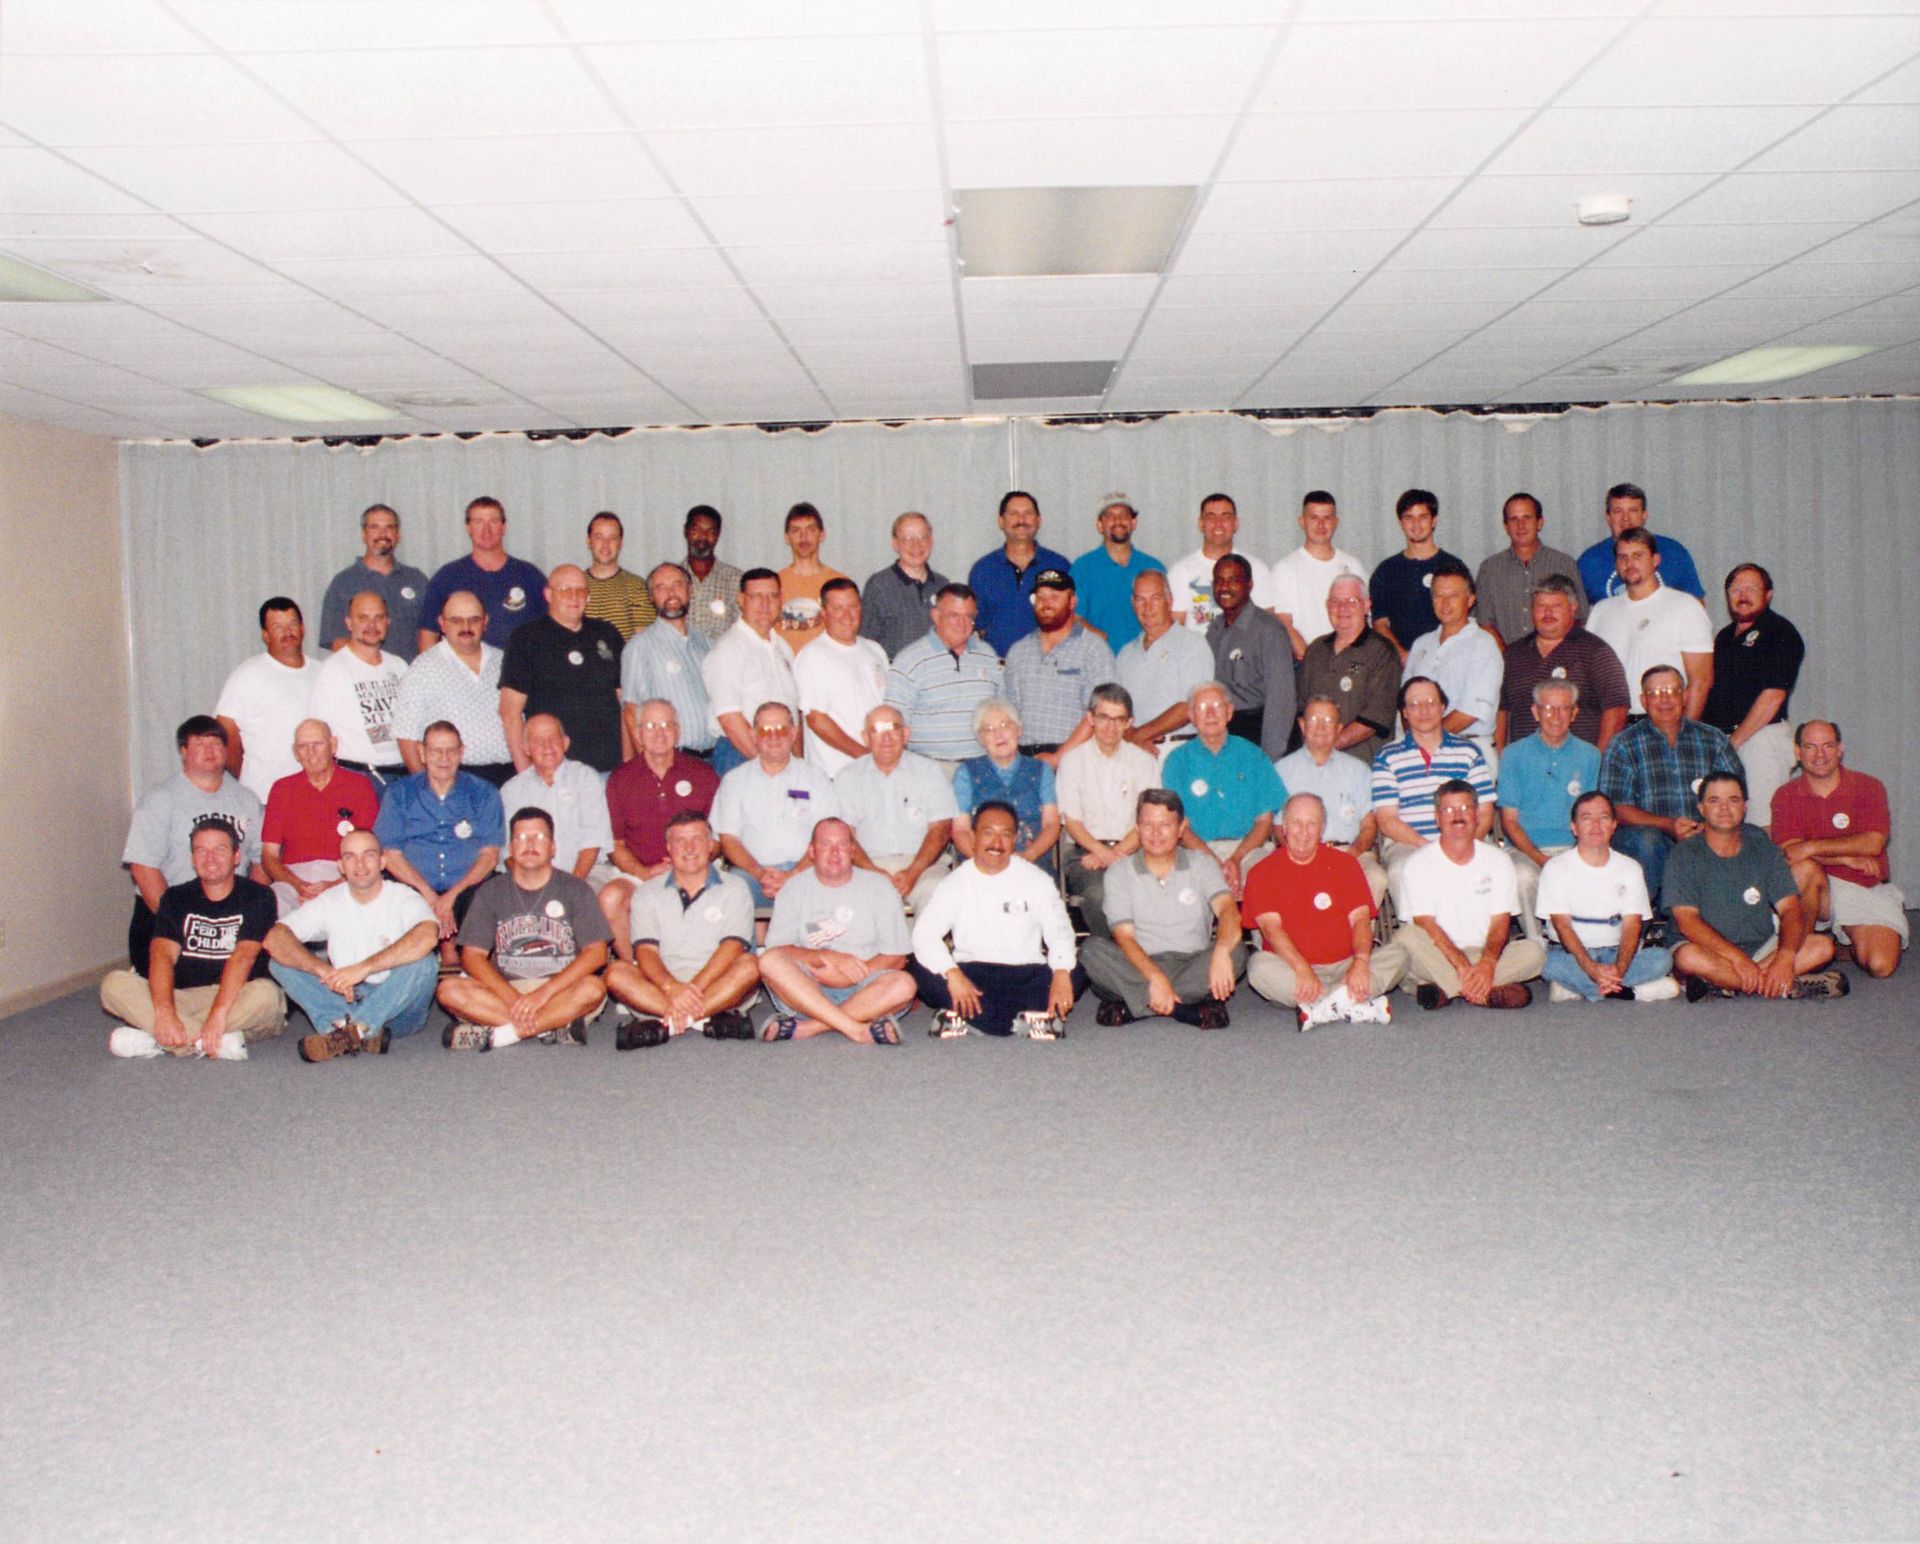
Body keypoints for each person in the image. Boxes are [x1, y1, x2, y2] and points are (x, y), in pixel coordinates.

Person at [101, 818, 284, 1060]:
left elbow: (243, 957)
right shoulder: (175, 898)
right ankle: (207, 1040)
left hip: (237, 996)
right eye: (201, 850)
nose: (210, 859)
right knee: (113, 984)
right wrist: (165, 1012)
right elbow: (162, 955)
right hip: (184, 997)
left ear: (236, 855)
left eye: (219, 849)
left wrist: (218, 1014)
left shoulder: (259, 896)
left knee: (267, 996)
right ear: (192, 858)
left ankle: (162, 1039)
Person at [438, 808, 612, 1050]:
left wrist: (544, 993)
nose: (529, 844)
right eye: (521, 838)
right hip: (506, 990)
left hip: (559, 989)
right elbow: (472, 956)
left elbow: (596, 952)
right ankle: (552, 1028)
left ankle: (499, 1035)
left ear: (553, 847)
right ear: (510, 848)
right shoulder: (490, 891)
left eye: (539, 837)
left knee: (593, 989)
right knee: (449, 990)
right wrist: (512, 997)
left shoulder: (576, 888)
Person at [263, 828, 441, 1060]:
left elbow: (428, 935)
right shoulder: (330, 900)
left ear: (382, 862)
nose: (360, 864)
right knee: (280, 962)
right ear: (341, 866)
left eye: (368, 855)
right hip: (347, 996)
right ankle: (362, 1033)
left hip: (397, 1005)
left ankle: (347, 1031)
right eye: (350, 856)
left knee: (424, 964)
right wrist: (323, 970)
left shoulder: (404, 897)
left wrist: (364, 968)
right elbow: (275, 938)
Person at [910, 802, 1083, 1039]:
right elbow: (924, 934)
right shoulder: (955, 882)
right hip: (971, 975)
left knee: (1077, 970)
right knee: (917, 967)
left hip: (1026, 974)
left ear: (1015, 839)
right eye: (988, 833)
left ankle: (967, 1019)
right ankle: (1024, 1021)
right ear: (973, 837)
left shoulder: (1036, 879)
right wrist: (953, 974)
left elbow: (1060, 930)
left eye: (1006, 834)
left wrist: (1062, 974)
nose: (996, 843)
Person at [1667, 772, 1845, 1002]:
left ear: (1745, 807)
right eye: (1714, 801)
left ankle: (1728, 983)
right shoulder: (1683, 855)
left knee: (1822, 946)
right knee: (1688, 958)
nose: (1724, 808)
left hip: (1762, 949)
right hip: (1709, 951)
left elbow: (1790, 909)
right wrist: (1738, 960)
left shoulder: (1764, 849)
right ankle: (1780, 984)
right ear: (1701, 809)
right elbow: (1688, 923)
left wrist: (1785, 957)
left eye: (1733, 800)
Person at [1082, 789, 1244, 1029]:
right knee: (1091, 951)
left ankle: (1136, 1005)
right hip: (1139, 964)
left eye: (1165, 824)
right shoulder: (1119, 872)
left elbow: (1228, 910)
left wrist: (1221, 950)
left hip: (1192, 961)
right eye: (1148, 824)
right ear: (1136, 829)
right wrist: (1155, 977)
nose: (1156, 833)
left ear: (1181, 828)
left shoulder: (1202, 863)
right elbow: (1123, 937)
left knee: (1237, 952)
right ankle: (1184, 1009)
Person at [1242, 792, 1405, 1026]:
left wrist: (1360, 963)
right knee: (1258, 968)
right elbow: (1271, 930)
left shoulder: (1346, 865)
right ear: (1284, 828)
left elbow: (1360, 921)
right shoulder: (1262, 872)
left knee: (1399, 953)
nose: (1304, 831)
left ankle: (1321, 1006)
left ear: (1323, 828)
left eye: (1312, 824)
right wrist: (1302, 969)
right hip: (1292, 969)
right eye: (1297, 823)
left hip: (1345, 966)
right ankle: (1351, 1001)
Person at [122, 715, 265, 973]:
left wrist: (250, 913)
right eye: (200, 744)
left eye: (216, 743)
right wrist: (177, 925)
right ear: (184, 751)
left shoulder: (247, 800)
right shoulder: (159, 800)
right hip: (167, 914)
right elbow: (143, 868)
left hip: (229, 915)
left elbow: (260, 860)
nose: (210, 751)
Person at [604, 810, 760, 1047]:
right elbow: (646, 952)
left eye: (697, 839)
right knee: (616, 973)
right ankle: (699, 1019)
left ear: (710, 845)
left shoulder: (735, 887)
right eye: (680, 841)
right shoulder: (647, 892)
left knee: (750, 965)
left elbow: (732, 947)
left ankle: (671, 1019)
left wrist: (693, 989)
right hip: (663, 988)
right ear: (668, 848)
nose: (689, 848)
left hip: (718, 985)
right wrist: (672, 988)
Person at [757, 818, 917, 1044]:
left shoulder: (880, 887)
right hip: (809, 987)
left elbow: (897, 957)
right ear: (811, 851)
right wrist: (824, 956)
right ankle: (857, 1028)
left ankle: (810, 1027)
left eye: (842, 845)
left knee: (904, 984)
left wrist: (848, 978)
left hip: (865, 986)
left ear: (852, 851)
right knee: (769, 961)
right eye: (825, 844)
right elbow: (779, 948)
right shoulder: (793, 889)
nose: (834, 853)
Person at [1598, 665, 1743, 909]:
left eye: (1671, 691)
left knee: (1748, 837)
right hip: (1648, 838)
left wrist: (1708, 827)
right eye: (1655, 693)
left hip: (1706, 834)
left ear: (1684, 696)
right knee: (1648, 841)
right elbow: (1615, 807)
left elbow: (1737, 795)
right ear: (1643, 701)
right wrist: (1668, 825)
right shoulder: (1623, 744)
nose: (1664, 700)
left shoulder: (1713, 739)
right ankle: (1637, 925)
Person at [1771, 720, 1906, 978]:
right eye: (1810, 747)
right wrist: (1846, 858)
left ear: (1840, 749)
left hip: (1864, 885)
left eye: (1828, 746)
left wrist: (1811, 846)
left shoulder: (1869, 787)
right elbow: (1791, 852)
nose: (1820, 755)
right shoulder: (1785, 795)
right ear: (1797, 752)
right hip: (1815, 889)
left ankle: (1836, 947)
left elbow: (1873, 842)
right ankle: (1806, 950)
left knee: (1881, 965)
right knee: (1803, 870)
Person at [1396, 780, 1544, 1010]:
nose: (1457, 816)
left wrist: (1488, 963)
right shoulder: (1418, 863)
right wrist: (1462, 965)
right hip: (1440, 952)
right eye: (1448, 810)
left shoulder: (1498, 860)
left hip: (1484, 951)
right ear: (1437, 818)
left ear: (1477, 815)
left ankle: (1446, 988)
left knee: (1535, 952)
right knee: (1405, 938)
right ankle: (1485, 992)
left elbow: (1500, 921)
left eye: (1465, 808)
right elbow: (1426, 924)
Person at [373, 720, 506, 960]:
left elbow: (489, 856)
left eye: (451, 750)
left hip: (467, 888)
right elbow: (390, 854)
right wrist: (428, 893)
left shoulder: (484, 793)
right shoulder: (400, 793)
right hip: (413, 886)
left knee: (486, 902)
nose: (444, 758)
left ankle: (465, 972)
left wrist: (450, 897)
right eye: (436, 750)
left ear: (461, 752)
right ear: (422, 753)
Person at [602, 700, 721, 958]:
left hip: (695, 868)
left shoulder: (703, 774)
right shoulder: (620, 780)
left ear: (678, 731)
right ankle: (636, 974)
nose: (659, 732)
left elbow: (719, 839)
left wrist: (687, 866)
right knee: (611, 898)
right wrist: (643, 873)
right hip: (639, 873)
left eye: (667, 725)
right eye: (651, 725)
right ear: (639, 733)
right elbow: (615, 844)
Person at [1536, 792, 1677, 1003]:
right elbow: (1563, 927)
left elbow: (1632, 926)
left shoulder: (1630, 868)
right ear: (1573, 827)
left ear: (1613, 826)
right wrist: (1591, 968)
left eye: (1603, 818)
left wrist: (1619, 968)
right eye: (1586, 818)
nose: (1595, 825)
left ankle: (1580, 989)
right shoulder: (1555, 868)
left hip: (1615, 954)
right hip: (1572, 955)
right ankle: (1630, 991)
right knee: (1546, 964)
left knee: (1662, 959)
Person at [1370, 676, 1495, 909]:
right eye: (1414, 704)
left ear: (1443, 707)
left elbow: (1485, 812)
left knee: (1488, 865)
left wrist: (1464, 843)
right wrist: (1431, 849)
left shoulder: (1469, 751)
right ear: (1404, 713)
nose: (1423, 710)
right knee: (1401, 870)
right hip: (1409, 843)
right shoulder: (1387, 756)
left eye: (1430, 701)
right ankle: (1416, 937)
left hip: (1466, 838)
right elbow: (1387, 820)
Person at [499, 563, 628, 776]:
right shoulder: (525, 639)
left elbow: (625, 704)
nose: (574, 597)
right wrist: (527, 775)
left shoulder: (607, 634)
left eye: (580, 591)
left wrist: (627, 763)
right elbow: (509, 713)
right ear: (548, 594)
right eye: (566, 590)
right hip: (554, 772)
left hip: (609, 768)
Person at [1498, 681, 1603, 942]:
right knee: (1522, 877)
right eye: (1547, 708)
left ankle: (1583, 946)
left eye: (1563, 709)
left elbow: (1592, 816)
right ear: (1535, 712)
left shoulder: (1590, 755)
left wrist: (1575, 856)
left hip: (1574, 847)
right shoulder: (1513, 755)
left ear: (1574, 713)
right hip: (1525, 849)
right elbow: (1509, 821)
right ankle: (1538, 947)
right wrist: (1538, 857)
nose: (1555, 717)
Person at [1702, 563, 1806, 823]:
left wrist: (1734, 743)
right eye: (1736, 589)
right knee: (1723, 825)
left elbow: (1773, 696)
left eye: (1751, 588)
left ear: (1768, 594)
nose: (1742, 594)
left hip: (1760, 740)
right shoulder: (1724, 637)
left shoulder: (1780, 632)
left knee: (1762, 826)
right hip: (1725, 740)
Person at [1058, 683, 1160, 937]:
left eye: (1119, 719)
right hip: (1084, 853)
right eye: (1104, 717)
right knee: (1099, 895)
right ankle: (1114, 962)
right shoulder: (1072, 761)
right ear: (1090, 718)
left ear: (1129, 722)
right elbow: (1072, 823)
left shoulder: (1144, 762)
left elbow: (1149, 821)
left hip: (1135, 850)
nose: (1111, 727)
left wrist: (1115, 854)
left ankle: (1152, 957)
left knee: (1154, 890)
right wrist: (1102, 853)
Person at [712, 701, 838, 908]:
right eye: (765, 730)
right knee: (730, 895)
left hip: (808, 871)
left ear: (794, 733)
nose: (773, 736)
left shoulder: (816, 778)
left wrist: (793, 874)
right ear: (753, 735)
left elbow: (825, 836)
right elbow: (728, 839)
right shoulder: (734, 781)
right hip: (752, 874)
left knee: (830, 887)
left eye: (781, 729)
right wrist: (759, 873)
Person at [1163, 681, 1284, 894]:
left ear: (1229, 712)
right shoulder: (1177, 761)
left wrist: (1235, 859)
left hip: (1248, 851)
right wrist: (1214, 862)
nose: (1210, 714)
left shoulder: (1253, 755)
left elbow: (1264, 821)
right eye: (1201, 708)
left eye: (1217, 706)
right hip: (1197, 853)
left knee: (1271, 880)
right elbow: (1180, 826)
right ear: (1191, 716)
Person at [832, 705, 955, 912]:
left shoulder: (930, 771)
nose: (886, 737)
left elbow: (940, 831)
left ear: (905, 734)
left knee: (936, 895)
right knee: (866, 902)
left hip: (924, 866)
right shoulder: (847, 777)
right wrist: (873, 871)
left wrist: (913, 872)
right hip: (866, 867)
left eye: (893, 728)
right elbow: (845, 835)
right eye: (877, 730)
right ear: (865, 737)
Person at [1586, 529, 1716, 719]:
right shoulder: (1601, 611)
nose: (1629, 563)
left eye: (1638, 556)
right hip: (1613, 722)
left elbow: (1701, 681)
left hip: (1664, 720)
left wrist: (1684, 734)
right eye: (1623, 557)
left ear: (1655, 560)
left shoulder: (1685, 606)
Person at [391, 591, 514, 786]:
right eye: (456, 620)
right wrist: (429, 789)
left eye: (474, 619)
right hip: (454, 781)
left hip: (509, 777)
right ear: (442, 623)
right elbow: (406, 737)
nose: (466, 627)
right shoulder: (423, 668)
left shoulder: (505, 661)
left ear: (485, 622)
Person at [259, 718, 379, 915]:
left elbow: (373, 850)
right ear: (295, 752)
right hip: (293, 879)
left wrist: (335, 884)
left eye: (317, 744)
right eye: (303, 746)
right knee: (270, 905)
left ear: (333, 745)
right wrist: (299, 885)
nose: (311, 752)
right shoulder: (282, 789)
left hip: (345, 876)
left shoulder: (359, 785)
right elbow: (269, 856)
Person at [1495, 574, 1628, 751]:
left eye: (1556, 606)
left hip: (1578, 766)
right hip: (1525, 766)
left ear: (1573, 608)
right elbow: (1501, 711)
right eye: (1541, 606)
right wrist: (1502, 759)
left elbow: (1617, 709)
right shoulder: (1513, 654)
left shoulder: (1595, 651)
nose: (1548, 613)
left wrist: (1598, 761)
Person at [1275, 696, 1385, 905]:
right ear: (1302, 725)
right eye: (1314, 720)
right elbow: (1279, 827)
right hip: (1298, 853)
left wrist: (1351, 854)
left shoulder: (1359, 769)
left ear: (1339, 728)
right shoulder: (1282, 769)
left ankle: (1359, 937)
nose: (1321, 727)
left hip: (1348, 853)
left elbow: (1369, 826)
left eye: (1328, 722)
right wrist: (1300, 854)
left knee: (1376, 879)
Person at [882, 583, 1004, 768]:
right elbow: (894, 723)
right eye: (954, 615)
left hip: (982, 767)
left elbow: (1002, 712)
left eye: (969, 616)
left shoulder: (988, 655)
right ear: (936, 616)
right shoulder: (909, 660)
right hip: (929, 769)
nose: (962, 624)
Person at [1003, 567, 1116, 759]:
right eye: (1040, 597)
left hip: (1076, 759)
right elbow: (1007, 712)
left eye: (1055, 596)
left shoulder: (1094, 649)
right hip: (1024, 759)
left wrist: (1058, 758)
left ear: (1072, 602)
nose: (1046, 603)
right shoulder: (1018, 651)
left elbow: (1102, 713)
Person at [215, 595, 317, 801]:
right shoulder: (248, 675)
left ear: (303, 629)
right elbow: (225, 734)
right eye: (278, 627)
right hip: (263, 796)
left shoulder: (323, 672)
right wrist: (246, 776)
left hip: (316, 794)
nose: (287, 632)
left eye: (293, 624)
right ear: (265, 634)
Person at [1402, 561, 1503, 768]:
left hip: (1469, 751)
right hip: (1418, 754)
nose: (1445, 603)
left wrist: (1426, 740)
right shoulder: (1421, 644)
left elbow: (1471, 712)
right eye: (1438, 595)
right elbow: (1404, 703)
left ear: (1470, 600)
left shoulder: (1483, 644)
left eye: (1453, 596)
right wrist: (1415, 745)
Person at [417, 495, 548, 652]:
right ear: (468, 528)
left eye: (493, 521)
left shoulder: (530, 576)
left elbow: (550, 629)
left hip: (520, 672)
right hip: (462, 673)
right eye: (479, 522)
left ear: (504, 527)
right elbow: (428, 634)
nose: (487, 530)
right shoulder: (447, 577)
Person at [702, 567, 798, 778]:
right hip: (741, 755)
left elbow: (794, 713)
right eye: (756, 596)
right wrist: (768, 770)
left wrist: (795, 767)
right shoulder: (729, 649)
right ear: (741, 600)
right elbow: (730, 719)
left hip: (781, 755)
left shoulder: (782, 647)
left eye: (772, 596)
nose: (765, 604)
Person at [305, 590, 406, 788]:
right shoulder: (333, 670)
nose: (372, 625)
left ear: (388, 622)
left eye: (379, 617)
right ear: (349, 623)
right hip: (358, 778)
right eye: (363, 618)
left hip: (402, 777)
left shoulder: (400, 666)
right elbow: (318, 733)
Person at [499, 714, 616, 885]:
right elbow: (507, 852)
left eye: (553, 738)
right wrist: (532, 882)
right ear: (526, 748)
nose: (547, 746)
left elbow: (593, 842)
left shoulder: (586, 778)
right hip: (531, 878)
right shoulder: (512, 790)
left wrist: (568, 888)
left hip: (587, 874)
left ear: (565, 743)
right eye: (538, 740)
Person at [1296, 574, 1399, 765]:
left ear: (1367, 605)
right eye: (1335, 601)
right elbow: (1302, 710)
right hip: (1315, 764)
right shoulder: (1315, 650)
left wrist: (1326, 747)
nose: (1342, 608)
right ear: (1327, 605)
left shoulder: (1382, 652)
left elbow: (1374, 719)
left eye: (1351, 601)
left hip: (1364, 765)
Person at [951, 697, 1061, 875]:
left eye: (1005, 725)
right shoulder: (965, 773)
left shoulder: (1041, 770)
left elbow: (1051, 824)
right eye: (989, 729)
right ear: (980, 739)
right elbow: (960, 830)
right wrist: (984, 863)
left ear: (1019, 730)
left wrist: (1028, 856)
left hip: (1032, 864)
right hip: (980, 867)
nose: (998, 735)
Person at [793, 577, 888, 776]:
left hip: (877, 769)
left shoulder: (875, 650)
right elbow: (817, 720)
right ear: (824, 613)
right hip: (837, 773)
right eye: (838, 608)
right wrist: (864, 755)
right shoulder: (813, 655)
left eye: (853, 606)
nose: (847, 615)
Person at [619, 562, 714, 757]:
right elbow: (631, 711)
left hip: (714, 759)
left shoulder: (706, 643)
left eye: (677, 585)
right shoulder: (640, 647)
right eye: (661, 587)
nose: (671, 593)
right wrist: (650, 766)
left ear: (690, 590)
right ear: (651, 597)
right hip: (671, 761)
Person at [1206, 553, 1294, 760]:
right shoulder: (1214, 630)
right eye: (1219, 580)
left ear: (1249, 584)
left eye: (1233, 580)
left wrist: (1268, 759)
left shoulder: (1268, 631)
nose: (1224, 587)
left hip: (1255, 735)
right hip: (1221, 736)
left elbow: (1281, 702)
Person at [1115, 569, 1212, 757]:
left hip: (1179, 751)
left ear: (1170, 601)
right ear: (1132, 604)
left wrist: (1139, 736)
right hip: (1133, 752)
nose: (1147, 607)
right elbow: (1117, 709)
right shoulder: (1126, 654)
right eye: (1140, 600)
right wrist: (1131, 738)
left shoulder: (1193, 644)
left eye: (1155, 598)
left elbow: (1189, 706)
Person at [1475, 491, 1588, 645]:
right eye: (1514, 519)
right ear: (1506, 526)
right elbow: (1485, 623)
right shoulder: (1489, 569)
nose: (1520, 525)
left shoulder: (1564, 564)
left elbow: (1579, 618)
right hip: (1506, 662)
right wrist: (1508, 659)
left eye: (1527, 518)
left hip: (1559, 661)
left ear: (1539, 522)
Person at [968, 489, 1071, 658]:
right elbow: (977, 627)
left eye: (1028, 513)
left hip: (1050, 668)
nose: (1021, 520)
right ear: (1001, 521)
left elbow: (1070, 621)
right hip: (999, 670)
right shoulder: (982, 570)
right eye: (1014, 514)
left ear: (1038, 520)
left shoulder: (1060, 566)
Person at [319, 502, 428, 662]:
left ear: (398, 535)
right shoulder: (343, 583)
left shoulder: (417, 579)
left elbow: (430, 637)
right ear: (363, 534)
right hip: (367, 682)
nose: (382, 534)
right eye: (374, 527)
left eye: (389, 527)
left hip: (412, 679)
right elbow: (338, 643)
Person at [1269, 490, 1369, 661]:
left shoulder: (1353, 566)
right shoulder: (1285, 569)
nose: (1321, 525)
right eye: (1314, 518)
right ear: (1302, 521)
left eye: (1327, 518)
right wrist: (1313, 662)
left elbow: (1365, 618)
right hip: (1307, 664)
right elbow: (1284, 623)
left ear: (1336, 522)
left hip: (1352, 662)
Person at [1370, 488, 1466, 661]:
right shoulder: (1386, 571)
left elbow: (1464, 621)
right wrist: (1404, 657)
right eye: (1409, 517)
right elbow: (1380, 624)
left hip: (1447, 660)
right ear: (1400, 522)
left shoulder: (1454, 567)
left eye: (1423, 517)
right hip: (1400, 665)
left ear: (1434, 521)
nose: (1416, 524)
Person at [1577, 482, 1705, 605]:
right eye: (1618, 511)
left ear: (1644, 515)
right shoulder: (1588, 562)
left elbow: (1696, 605)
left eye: (1633, 510)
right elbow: (1577, 615)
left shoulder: (1674, 553)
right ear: (1608, 517)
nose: (1625, 518)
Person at [1164, 492, 1276, 632]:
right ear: (1201, 524)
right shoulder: (1181, 572)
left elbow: (1268, 625)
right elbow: (1175, 627)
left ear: (1235, 524)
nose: (1218, 524)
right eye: (1211, 517)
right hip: (1198, 652)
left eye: (1226, 517)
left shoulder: (1256, 568)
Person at [1069, 494, 1164, 650]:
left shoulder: (1153, 568)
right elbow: (1073, 618)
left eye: (1124, 515)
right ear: (1099, 525)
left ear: (1134, 523)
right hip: (1099, 662)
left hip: (1146, 661)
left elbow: (1165, 618)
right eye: (1109, 516)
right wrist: (1102, 641)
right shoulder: (1083, 568)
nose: (1118, 521)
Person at [859, 511, 949, 660]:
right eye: (907, 539)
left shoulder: (943, 585)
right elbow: (866, 644)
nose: (916, 545)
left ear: (931, 541)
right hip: (894, 678)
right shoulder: (878, 586)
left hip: (936, 677)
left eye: (923, 537)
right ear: (895, 544)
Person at [774, 500, 847, 654]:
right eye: (796, 530)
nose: (803, 536)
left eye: (810, 529)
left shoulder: (840, 583)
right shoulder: (774, 584)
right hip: (784, 671)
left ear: (822, 535)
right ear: (787, 537)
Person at [582, 510, 655, 640]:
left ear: (621, 543)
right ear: (588, 541)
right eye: (599, 537)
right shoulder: (576, 586)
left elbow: (644, 642)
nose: (606, 544)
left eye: (612, 538)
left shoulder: (637, 587)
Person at [681, 504, 743, 640]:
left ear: (718, 535)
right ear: (686, 531)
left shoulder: (736, 579)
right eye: (696, 530)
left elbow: (744, 630)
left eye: (711, 532)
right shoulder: (674, 580)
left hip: (725, 659)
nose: (703, 537)